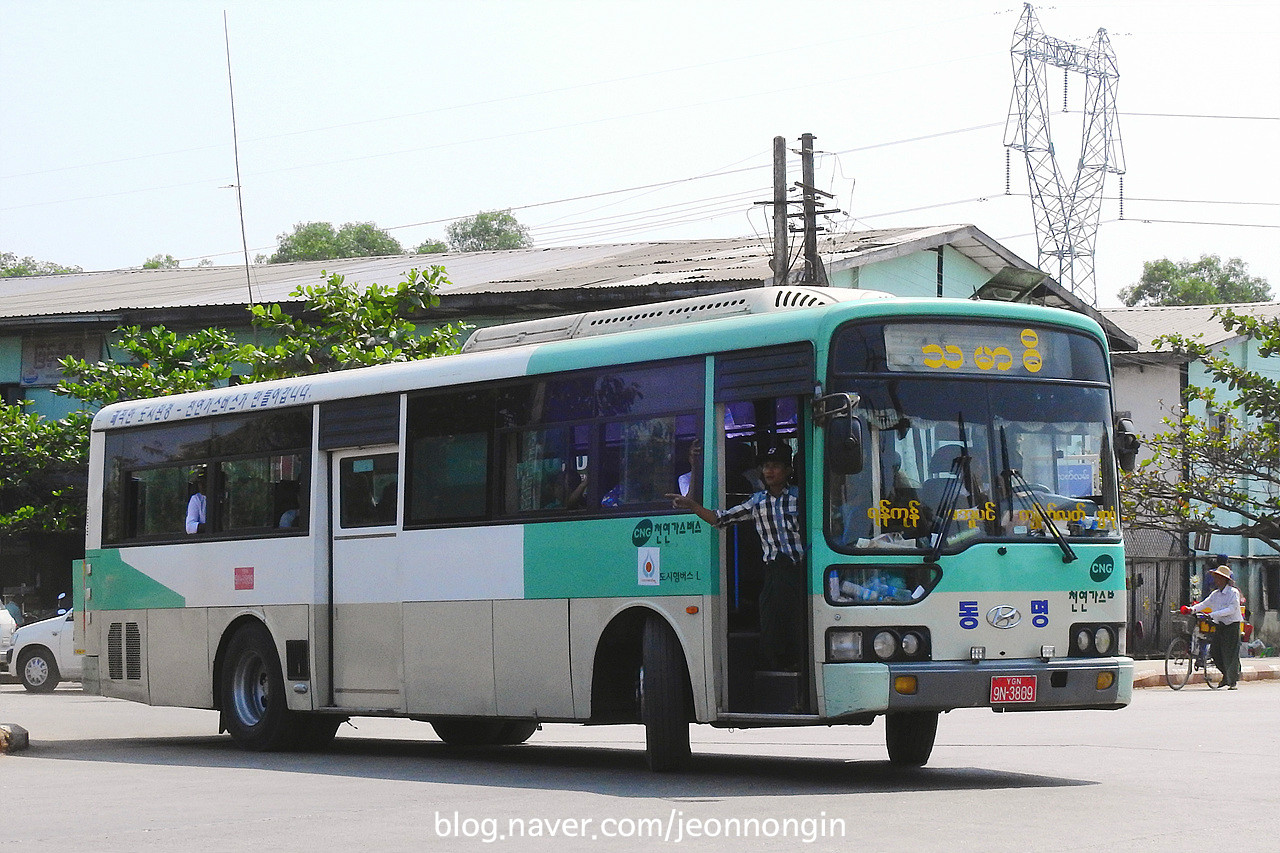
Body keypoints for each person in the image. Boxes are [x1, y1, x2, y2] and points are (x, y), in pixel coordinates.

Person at [667, 439, 805, 671]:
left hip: (799, 572)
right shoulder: (757, 502)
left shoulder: (801, 498)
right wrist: (692, 506)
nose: (769, 471)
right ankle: (780, 669)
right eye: (765, 466)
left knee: (798, 624)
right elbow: (720, 518)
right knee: (772, 625)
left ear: (788, 470)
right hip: (774, 574)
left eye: (775, 466)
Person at [1182, 564, 1243, 689]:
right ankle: (1227, 675)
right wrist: (1191, 609)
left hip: (1232, 625)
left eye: (1218, 578)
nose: (1216, 580)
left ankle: (1232, 681)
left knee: (1229, 653)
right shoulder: (1215, 594)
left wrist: (1213, 614)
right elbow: (1205, 603)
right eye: (1215, 577)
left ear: (1225, 580)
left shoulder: (1233, 593)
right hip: (1220, 625)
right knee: (1215, 651)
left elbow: (1232, 609)